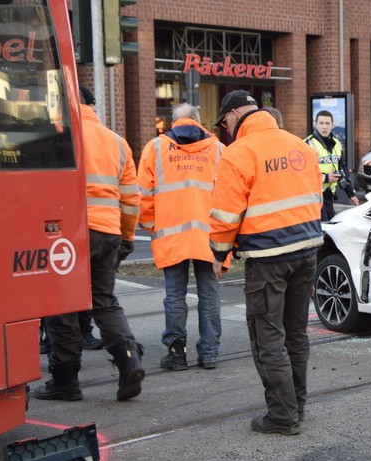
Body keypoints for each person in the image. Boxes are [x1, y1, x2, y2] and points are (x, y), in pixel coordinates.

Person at [210, 90, 323, 435]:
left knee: (268, 338)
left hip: (267, 257)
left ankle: (282, 416)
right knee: (295, 333)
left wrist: (219, 255)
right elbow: (316, 196)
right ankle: (296, 406)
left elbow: (225, 216)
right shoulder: (300, 146)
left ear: (231, 116)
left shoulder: (237, 154)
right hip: (307, 249)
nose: (225, 130)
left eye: (224, 124)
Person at [32, 86, 145, 402]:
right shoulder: (116, 142)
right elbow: (131, 199)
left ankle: (65, 381)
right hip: (106, 232)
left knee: (62, 306)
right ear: (90, 105)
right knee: (104, 300)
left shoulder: (53, 134)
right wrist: (126, 237)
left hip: (65, 234)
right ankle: (129, 361)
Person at [138, 103, 224, 371]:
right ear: (199, 121)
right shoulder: (218, 149)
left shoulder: (155, 148)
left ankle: (177, 353)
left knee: (174, 295)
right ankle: (209, 353)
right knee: (209, 295)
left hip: (171, 234)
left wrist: (152, 225)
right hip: (209, 236)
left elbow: (142, 194)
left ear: (173, 121)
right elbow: (229, 194)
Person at [304, 109, 359, 221]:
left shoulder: (337, 144)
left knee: (330, 227)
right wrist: (325, 177)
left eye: (327, 123)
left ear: (332, 125)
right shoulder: (307, 144)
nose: (324, 126)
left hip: (329, 196)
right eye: (321, 123)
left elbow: (341, 171)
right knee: (324, 229)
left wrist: (350, 194)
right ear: (316, 125)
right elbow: (303, 174)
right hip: (314, 197)